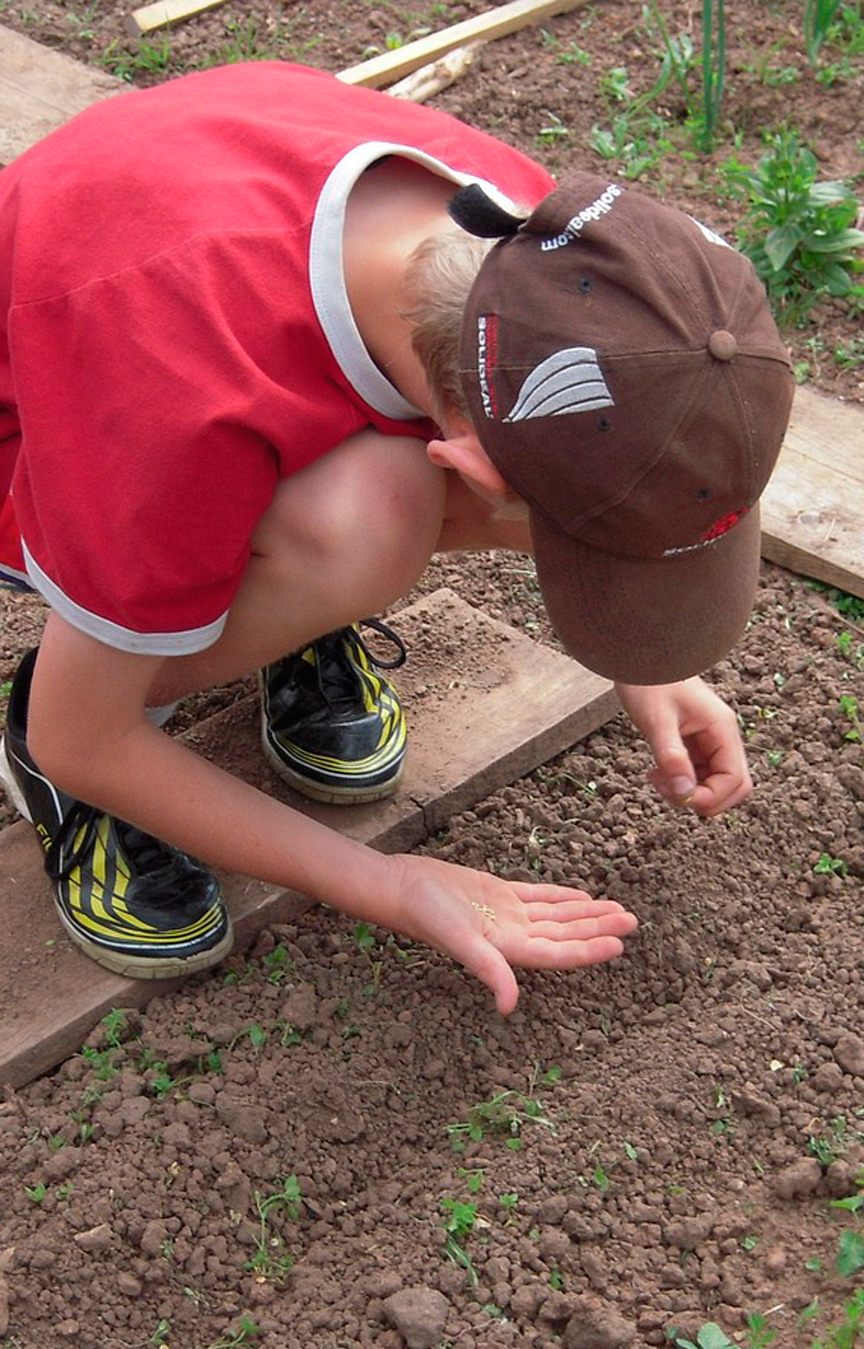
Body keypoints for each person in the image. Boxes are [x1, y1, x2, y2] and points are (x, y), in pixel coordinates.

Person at [0, 61, 794, 1015]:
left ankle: (275, 601)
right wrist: (400, 885)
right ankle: (96, 724)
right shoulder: (172, 397)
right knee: (366, 528)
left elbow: (607, 432)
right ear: (473, 466)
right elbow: (80, 735)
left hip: (205, 308)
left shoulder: (548, 254)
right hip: (44, 432)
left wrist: (647, 661)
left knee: (375, 509)